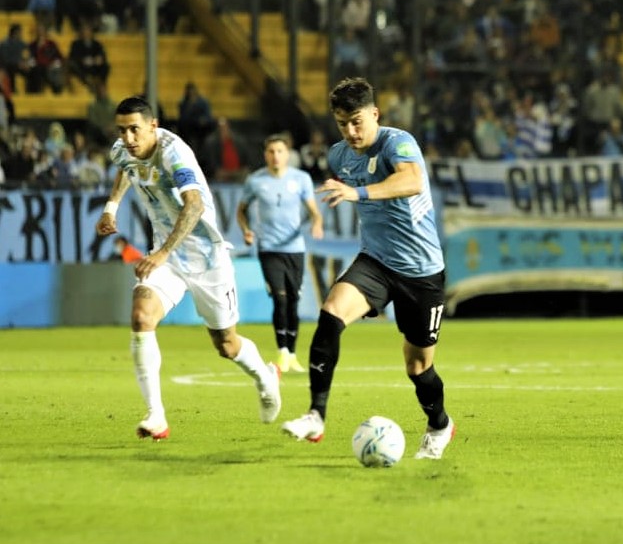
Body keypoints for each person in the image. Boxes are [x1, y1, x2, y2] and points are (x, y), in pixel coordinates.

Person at [280, 78, 455, 460]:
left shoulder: (398, 142)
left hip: (421, 270)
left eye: (357, 121)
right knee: (330, 313)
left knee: (418, 366)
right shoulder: (340, 155)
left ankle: (439, 424)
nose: (351, 131)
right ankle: (316, 415)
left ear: (375, 114)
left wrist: (356, 193)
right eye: (342, 123)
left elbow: (411, 180)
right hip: (375, 261)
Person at [95, 96, 281, 440]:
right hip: (166, 258)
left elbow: (193, 206)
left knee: (226, 345)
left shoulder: (173, 153)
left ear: (153, 125)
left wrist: (164, 252)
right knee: (141, 317)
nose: (128, 138)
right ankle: (156, 416)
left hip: (207, 258)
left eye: (135, 129)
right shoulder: (124, 149)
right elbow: (125, 167)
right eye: (122, 130)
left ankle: (265, 377)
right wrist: (111, 207)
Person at [237, 134, 325, 375]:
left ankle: (293, 354)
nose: (275, 156)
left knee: (293, 301)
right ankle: (282, 352)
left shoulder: (301, 179)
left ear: (288, 154)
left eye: (279, 151)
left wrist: (317, 223)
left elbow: (314, 212)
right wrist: (246, 230)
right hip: (268, 248)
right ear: (265, 154)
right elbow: (241, 211)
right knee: (280, 297)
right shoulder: (256, 181)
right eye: (271, 151)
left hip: (294, 249)